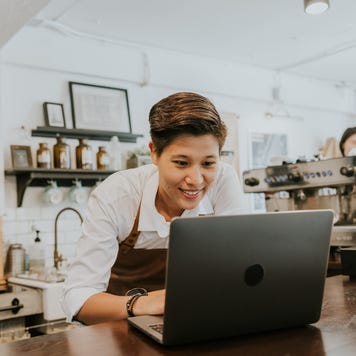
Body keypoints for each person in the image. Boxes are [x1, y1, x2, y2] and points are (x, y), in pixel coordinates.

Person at [61, 92, 245, 325]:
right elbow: (78, 298)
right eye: (181, 163)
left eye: (208, 163)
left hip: (191, 325)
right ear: (154, 153)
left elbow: (238, 268)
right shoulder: (118, 194)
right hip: (116, 332)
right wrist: (141, 303)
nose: (196, 180)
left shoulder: (223, 179)